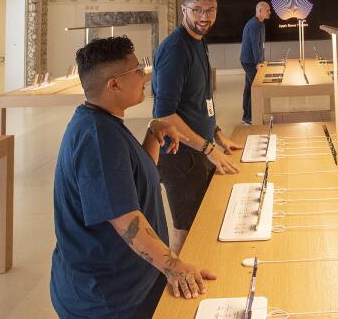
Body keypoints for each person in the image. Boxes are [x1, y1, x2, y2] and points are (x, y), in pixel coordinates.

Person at [50, 36, 217, 318]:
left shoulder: (103, 122)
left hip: (127, 283)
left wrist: (154, 133)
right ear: (113, 84)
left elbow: (137, 181)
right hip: (108, 299)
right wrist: (174, 267)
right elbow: (126, 219)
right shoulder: (98, 138)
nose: (144, 74)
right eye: (137, 70)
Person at [152, 0, 241, 253]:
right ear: (184, 9)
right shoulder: (175, 50)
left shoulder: (199, 42)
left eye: (210, 10)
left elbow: (201, 98)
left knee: (204, 224)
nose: (204, 17)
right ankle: (176, 287)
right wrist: (207, 148)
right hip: (180, 157)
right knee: (186, 231)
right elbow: (165, 115)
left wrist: (217, 135)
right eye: (197, 10)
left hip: (201, 149)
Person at [240, 1, 271, 125]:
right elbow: (254, 45)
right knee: (254, 88)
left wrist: (262, 60)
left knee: (249, 87)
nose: (270, 12)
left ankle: (246, 116)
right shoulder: (254, 25)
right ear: (260, 11)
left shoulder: (260, 24)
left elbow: (260, 45)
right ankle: (249, 117)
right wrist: (258, 62)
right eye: (267, 10)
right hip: (249, 61)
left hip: (252, 61)